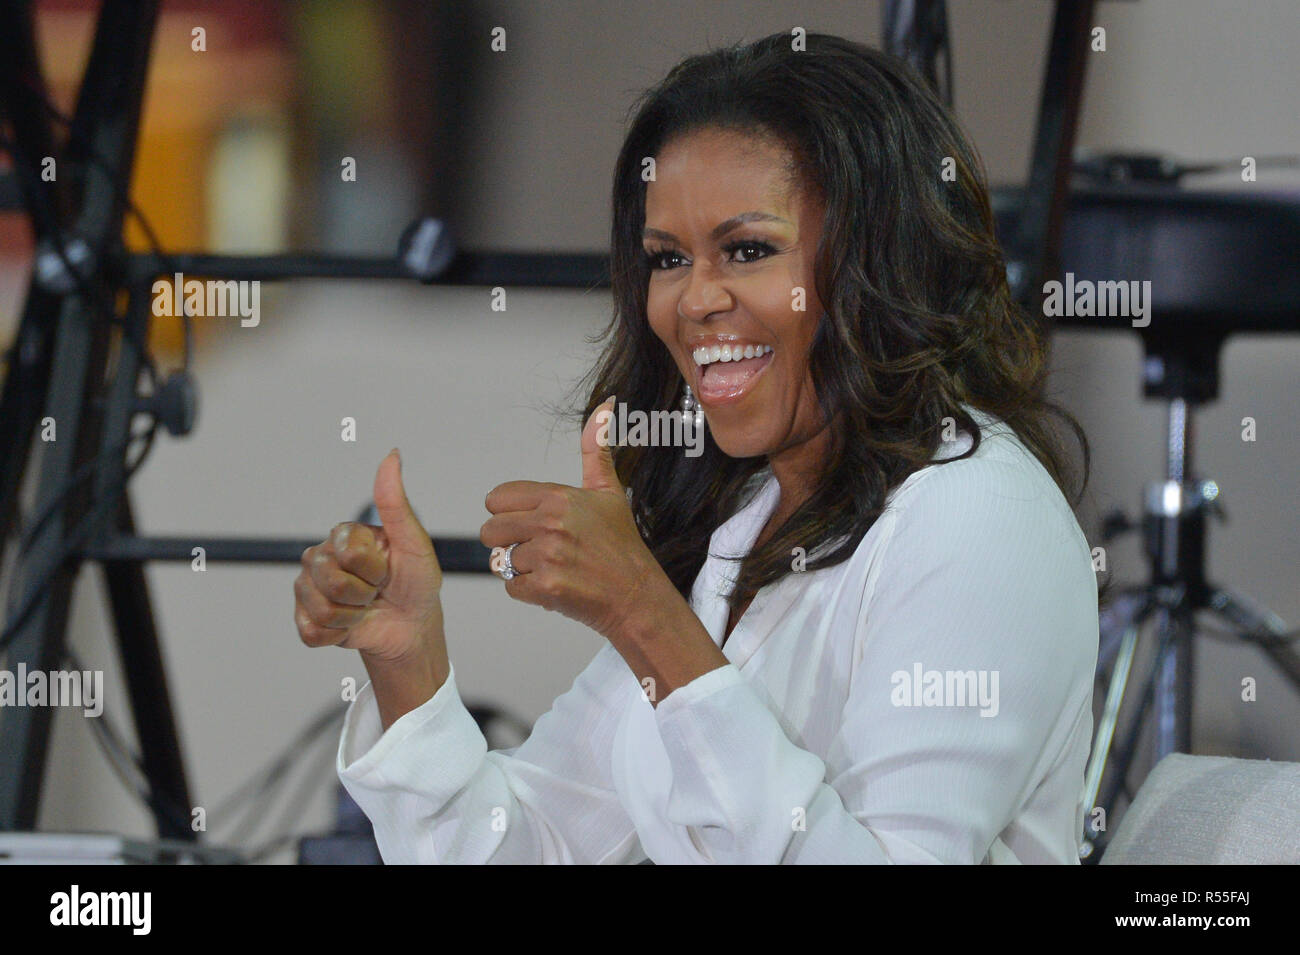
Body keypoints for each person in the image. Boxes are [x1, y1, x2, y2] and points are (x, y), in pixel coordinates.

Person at [293, 32, 1100, 864]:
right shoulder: (747, 521)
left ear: (879, 259)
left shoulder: (977, 515)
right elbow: (530, 849)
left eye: (747, 251)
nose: (694, 299)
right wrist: (407, 661)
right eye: (668, 258)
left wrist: (644, 612)